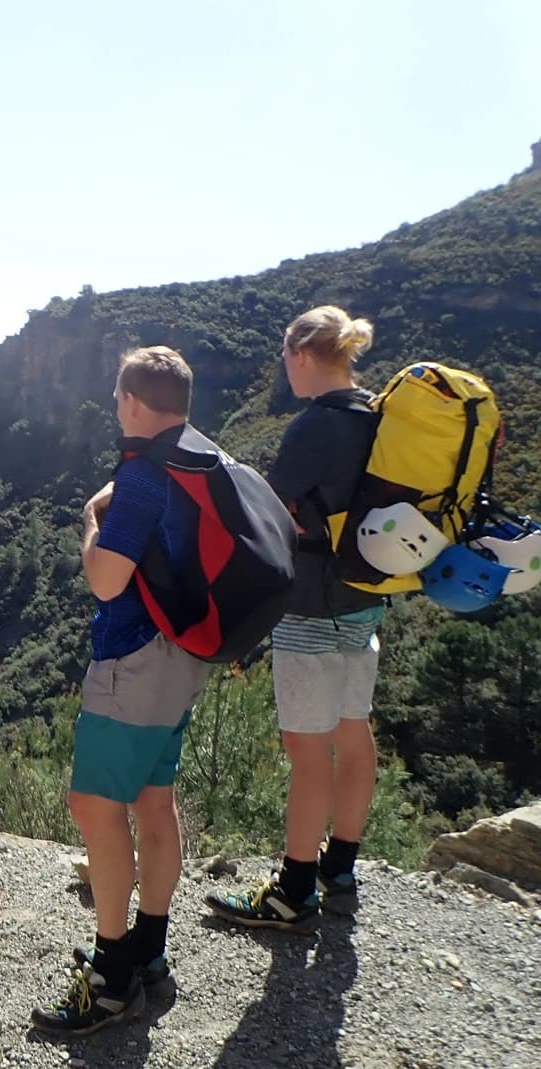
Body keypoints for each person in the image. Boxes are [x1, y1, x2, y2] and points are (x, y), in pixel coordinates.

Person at [31, 348, 211, 1035]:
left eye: (116, 395)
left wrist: (89, 522)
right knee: (153, 799)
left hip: (134, 655)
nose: (112, 404)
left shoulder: (142, 474)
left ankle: (109, 979)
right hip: (185, 652)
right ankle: (149, 946)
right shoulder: (202, 459)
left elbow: (107, 578)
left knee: (95, 805)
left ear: (135, 401)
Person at [207, 307, 383, 929]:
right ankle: (341, 868)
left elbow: (273, 509)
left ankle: (294, 890)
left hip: (310, 604)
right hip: (364, 599)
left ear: (302, 355)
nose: (285, 370)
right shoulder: (377, 413)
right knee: (353, 734)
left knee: (308, 755)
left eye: (286, 358)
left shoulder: (316, 425)